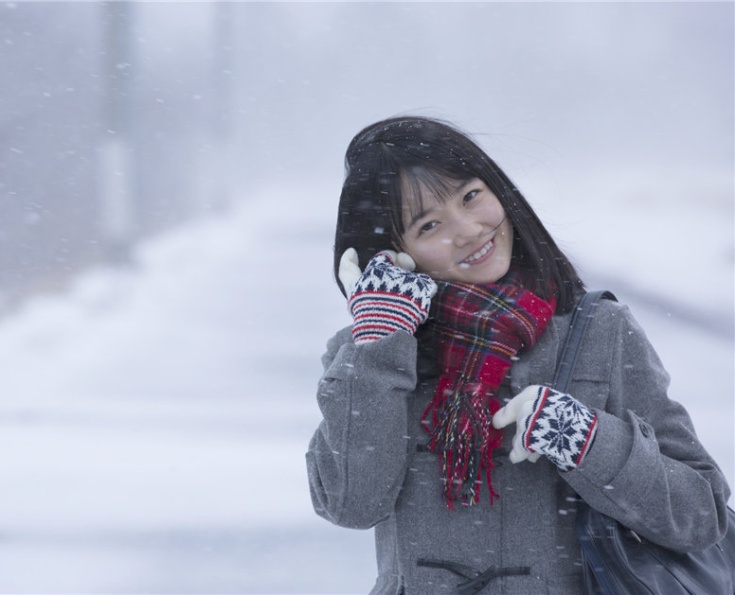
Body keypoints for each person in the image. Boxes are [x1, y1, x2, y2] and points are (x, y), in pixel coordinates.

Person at [305, 115, 731, 594]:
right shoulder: (369, 351)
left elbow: (701, 514)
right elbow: (351, 504)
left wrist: (581, 436)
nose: (468, 230)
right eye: (429, 224)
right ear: (394, 252)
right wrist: (380, 339)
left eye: (470, 196)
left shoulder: (599, 332)